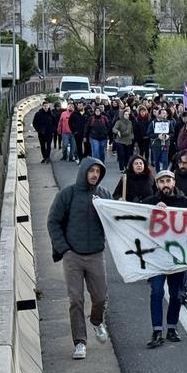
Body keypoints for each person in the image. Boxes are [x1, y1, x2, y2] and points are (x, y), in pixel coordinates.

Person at [46, 156, 112, 359]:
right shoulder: (68, 194)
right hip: (72, 255)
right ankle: (80, 342)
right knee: (75, 299)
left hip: (96, 254)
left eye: (98, 172)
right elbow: (53, 221)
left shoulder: (104, 195)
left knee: (100, 297)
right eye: (91, 171)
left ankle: (96, 321)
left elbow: (118, 219)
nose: (94, 175)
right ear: (83, 171)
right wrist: (64, 248)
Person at [140, 169, 187, 348]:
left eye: (168, 181)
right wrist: (155, 211)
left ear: (174, 182)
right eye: (161, 181)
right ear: (157, 184)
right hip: (156, 258)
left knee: (177, 294)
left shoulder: (185, 203)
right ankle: (156, 330)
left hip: (178, 258)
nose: (165, 185)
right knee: (156, 292)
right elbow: (140, 226)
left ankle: (171, 327)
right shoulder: (148, 203)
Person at [112, 107, 136, 171]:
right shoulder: (119, 122)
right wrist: (117, 131)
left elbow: (131, 131)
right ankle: (121, 168)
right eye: (125, 114)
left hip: (128, 141)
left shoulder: (130, 122)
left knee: (127, 155)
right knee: (121, 155)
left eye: (128, 114)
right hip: (120, 141)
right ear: (123, 115)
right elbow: (114, 129)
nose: (127, 115)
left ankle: (126, 166)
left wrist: (132, 137)